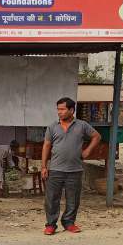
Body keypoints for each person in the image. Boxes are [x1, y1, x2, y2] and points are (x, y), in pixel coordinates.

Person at [41, 97, 101, 235]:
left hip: (75, 170)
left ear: (71, 110)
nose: (59, 112)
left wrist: (87, 151)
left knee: (73, 199)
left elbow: (96, 136)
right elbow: (46, 146)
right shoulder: (52, 127)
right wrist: (44, 166)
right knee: (51, 199)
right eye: (58, 109)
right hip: (55, 169)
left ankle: (69, 223)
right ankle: (51, 224)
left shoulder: (82, 125)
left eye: (62, 109)